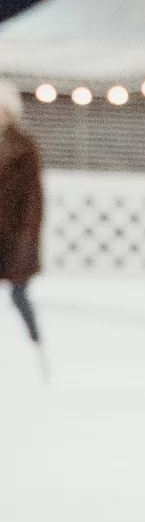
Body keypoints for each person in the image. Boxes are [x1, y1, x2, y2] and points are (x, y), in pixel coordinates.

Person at [0, 82, 46, 370]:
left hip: (14, 235)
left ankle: (35, 343)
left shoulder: (23, 147)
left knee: (19, 293)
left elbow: (33, 197)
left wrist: (27, 236)